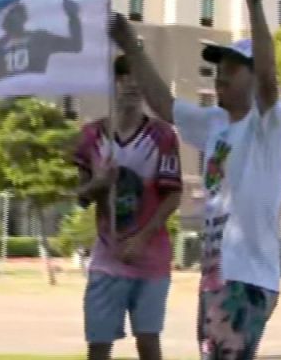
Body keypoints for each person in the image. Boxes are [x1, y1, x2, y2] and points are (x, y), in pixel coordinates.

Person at [115, 0, 281, 360]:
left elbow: (268, 79)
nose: (220, 76)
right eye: (218, 68)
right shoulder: (215, 123)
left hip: (246, 277)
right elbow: (162, 103)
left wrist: (256, 4)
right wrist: (132, 48)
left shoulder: (267, 124)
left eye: (232, 68)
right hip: (215, 274)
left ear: (251, 75)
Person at [73, 50, 182, 360]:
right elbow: (81, 197)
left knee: (148, 343)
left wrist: (142, 238)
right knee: (98, 345)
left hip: (151, 260)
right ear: (114, 84)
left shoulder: (162, 136)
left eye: (137, 78)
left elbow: (173, 195)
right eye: (123, 77)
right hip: (107, 258)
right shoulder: (91, 136)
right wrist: (98, 184)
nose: (132, 85)